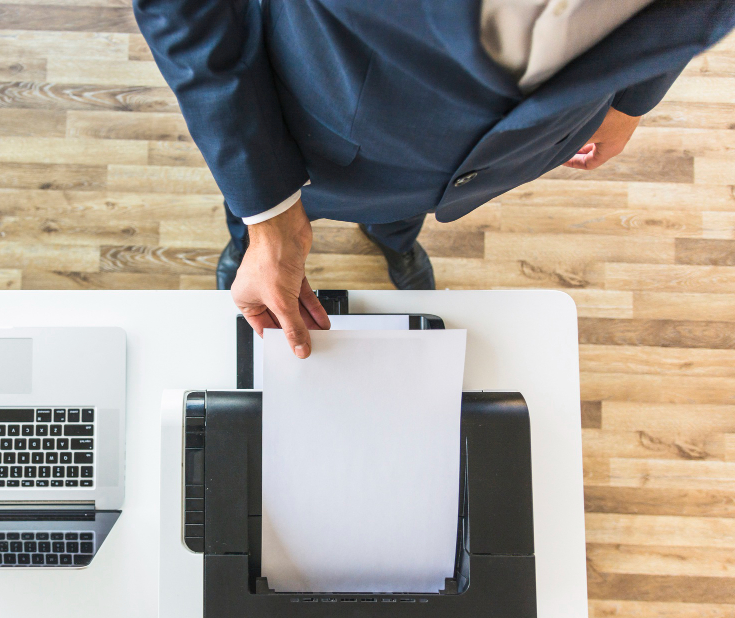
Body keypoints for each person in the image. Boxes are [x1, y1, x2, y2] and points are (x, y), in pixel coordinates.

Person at [134, 0, 735, 358]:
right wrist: (265, 212)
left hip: (507, 148)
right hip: (315, 117)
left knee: (398, 217)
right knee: (269, 220)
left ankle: (394, 239)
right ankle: (245, 244)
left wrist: (633, 101)